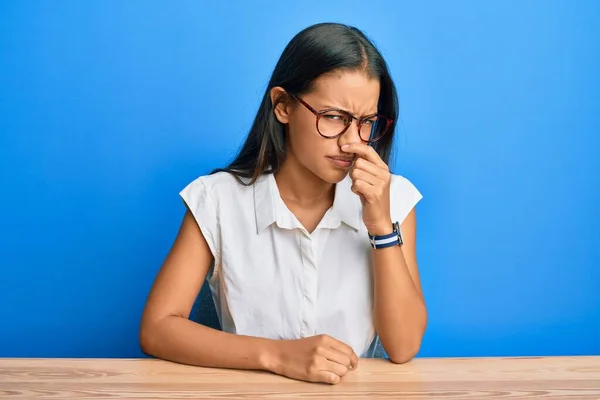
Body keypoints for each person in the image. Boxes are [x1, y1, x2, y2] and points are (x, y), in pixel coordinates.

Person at [139, 22, 427, 385]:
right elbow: (157, 328)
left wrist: (382, 228)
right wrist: (277, 355)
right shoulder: (217, 199)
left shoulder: (393, 198)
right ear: (282, 106)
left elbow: (403, 347)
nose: (353, 141)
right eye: (335, 117)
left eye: (367, 122)